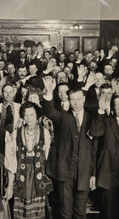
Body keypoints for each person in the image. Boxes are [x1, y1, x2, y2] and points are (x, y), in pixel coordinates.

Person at [42, 76, 96, 219]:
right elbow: (50, 112)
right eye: (72, 99)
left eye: (79, 99)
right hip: (65, 171)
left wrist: (93, 173)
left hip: (84, 172)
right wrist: (48, 92)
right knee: (65, 212)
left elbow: (95, 149)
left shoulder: (92, 117)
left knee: (80, 212)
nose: (76, 103)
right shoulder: (63, 117)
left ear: (84, 99)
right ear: (68, 100)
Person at [13, 102, 52, 219]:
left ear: (37, 116)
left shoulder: (44, 132)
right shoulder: (17, 132)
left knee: (38, 208)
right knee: (21, 205)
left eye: (31, 115)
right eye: (26, 115)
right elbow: (13, 154)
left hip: (38, 174)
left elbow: (47, 154)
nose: (28, 118)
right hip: (22, 174)